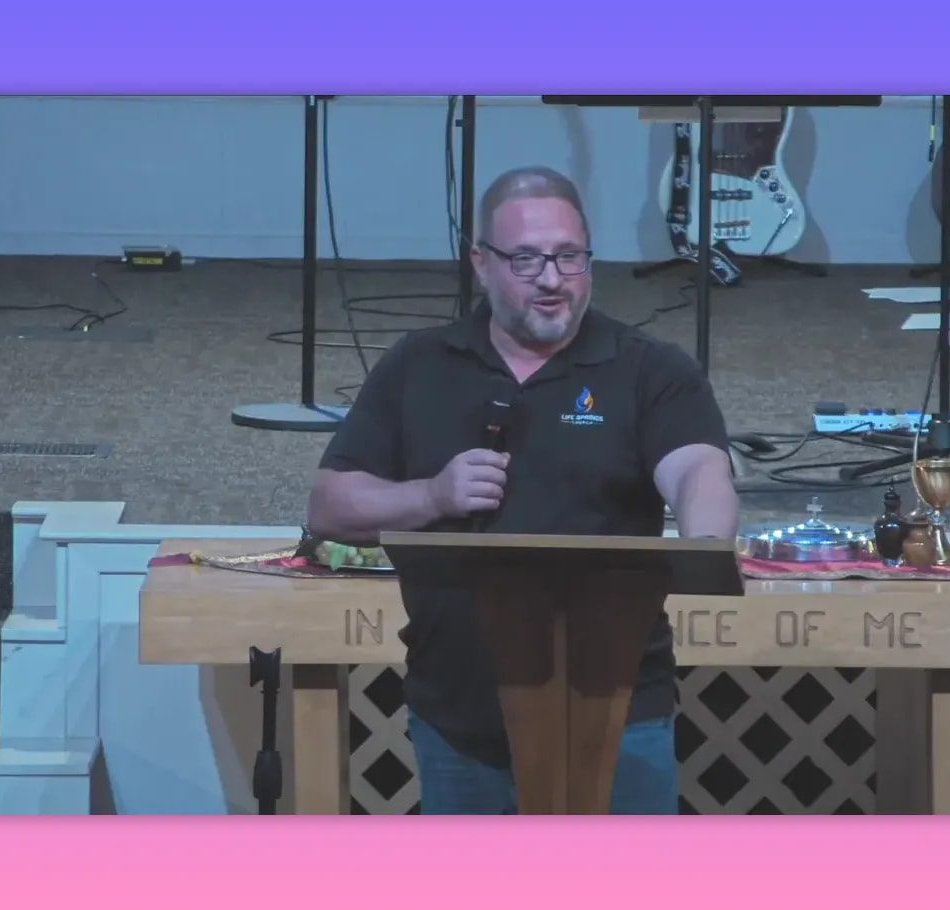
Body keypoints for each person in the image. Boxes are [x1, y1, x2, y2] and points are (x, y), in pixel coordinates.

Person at [305, 165, 739, 814]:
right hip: (460, 712)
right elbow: (330, 504)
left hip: (619, 707)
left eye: (569, 257)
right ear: (481, 263)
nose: (551, 279)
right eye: (527, 259)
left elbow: (698, 468)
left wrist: (706, 539)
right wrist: (431, 496)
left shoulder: (648, 369)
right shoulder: (419, 365)